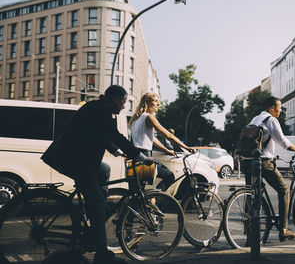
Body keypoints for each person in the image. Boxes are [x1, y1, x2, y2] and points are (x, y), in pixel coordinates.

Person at [41, 85, 150, 264]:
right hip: (75, 161)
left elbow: (101, 135)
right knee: (98, 203)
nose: (124, 106)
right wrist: (140, 156)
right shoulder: (100, 111)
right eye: (123, 102)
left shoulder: (98, 108)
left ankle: (95, 207)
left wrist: (116, 151)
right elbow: (114, 135)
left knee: (105, 170)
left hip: (77, 158)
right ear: (114, 99)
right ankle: (102, 254)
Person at [246, 96, 295, 241]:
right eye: (279, 108)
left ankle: (250, 236)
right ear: (272, 108)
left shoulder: (255, 119)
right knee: (284, 190)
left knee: (252, 196)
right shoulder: (271, 120)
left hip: (248, 161)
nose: (280, 111)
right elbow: (283, 143)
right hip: (263, 162)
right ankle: (284, 230)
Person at [128, 93, 196, 192]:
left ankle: (142, 203)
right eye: (155, 101)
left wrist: (165, 149)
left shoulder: (136, 120)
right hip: (144, 157)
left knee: (136, 193)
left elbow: (152, 138)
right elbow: (168, 135)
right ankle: (154, 198)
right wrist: (187, 148)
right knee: (169, 176)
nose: (158, 104)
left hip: (135, 156)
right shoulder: (149, 117)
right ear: (147, 102)